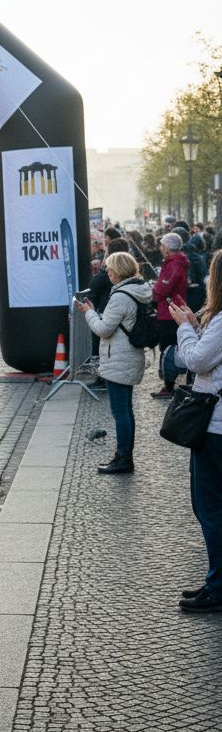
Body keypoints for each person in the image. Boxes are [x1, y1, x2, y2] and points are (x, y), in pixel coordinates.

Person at [167, 256, 222, 611]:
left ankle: (217, 586)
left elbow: (198, 361)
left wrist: (184, 328)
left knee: (210, 507)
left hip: (216, 426)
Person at [76, 252, 151, 474]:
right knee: (126, 410)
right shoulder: (139, 289)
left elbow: (103, 329)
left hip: (119, 357)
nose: (106, 273)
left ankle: (123, 458)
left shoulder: (120, 296)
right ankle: (125, 455)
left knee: (120, 411)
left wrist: (89, 313)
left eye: (108, 269)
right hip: (129, 355)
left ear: (117, 270)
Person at [151, 232, 188, 399]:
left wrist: (155, 290)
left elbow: (162, 288)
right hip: (170, 309)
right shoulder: (172, 263)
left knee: (167, 348)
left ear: (167, 248)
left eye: (162, 245)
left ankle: (169, 383)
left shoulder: (174, 265)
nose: (160, 248)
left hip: (169, 312)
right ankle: (169, 380)